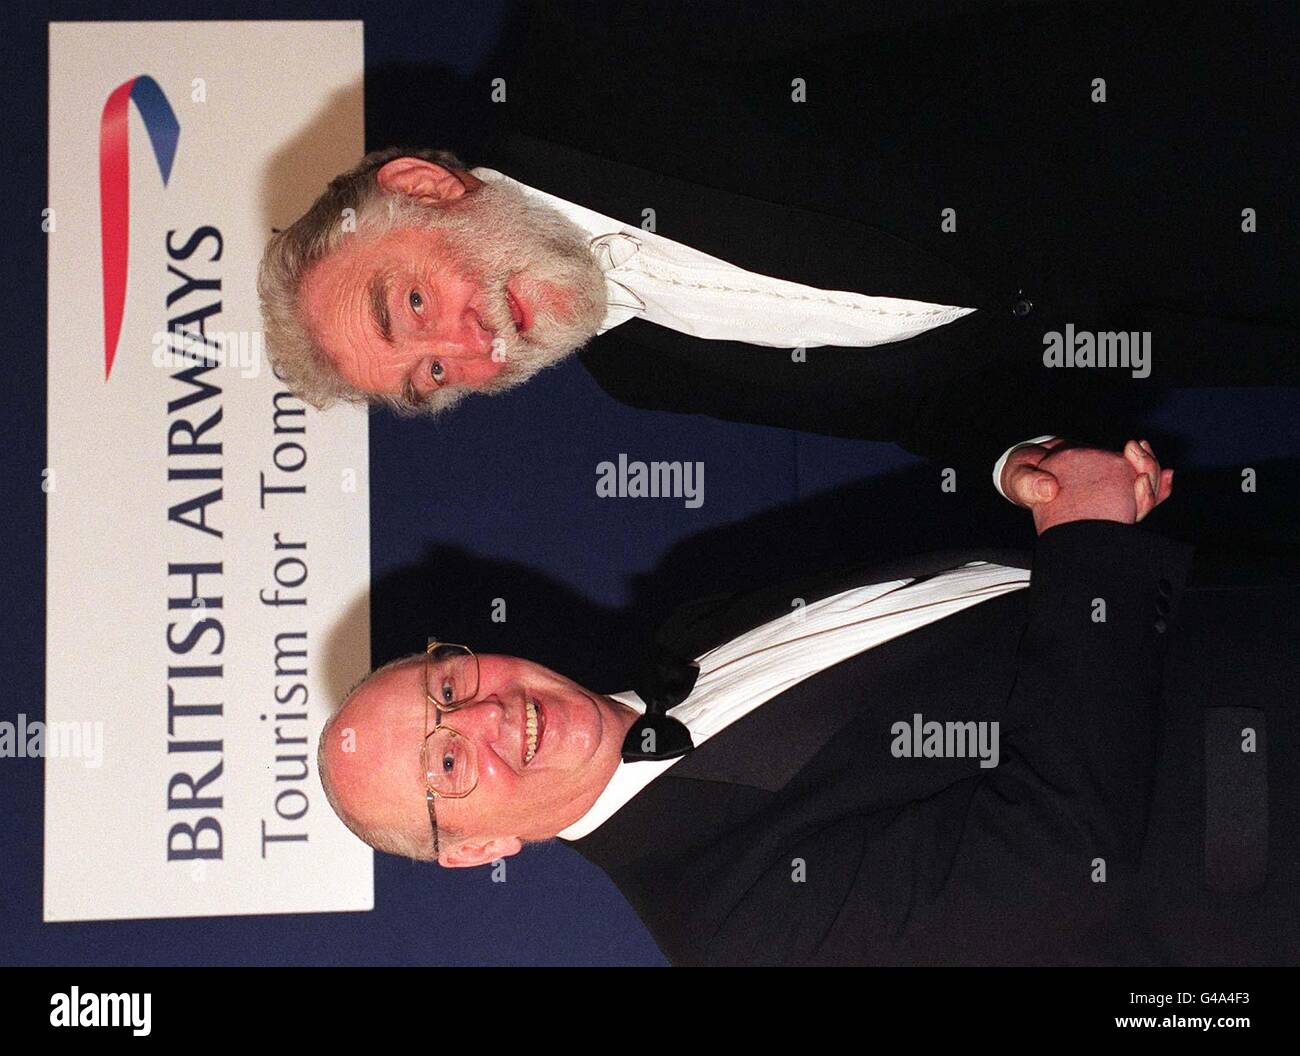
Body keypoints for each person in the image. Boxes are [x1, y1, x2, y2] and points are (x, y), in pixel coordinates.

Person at [258, 2, 1300, 500]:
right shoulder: (638, 377)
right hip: (1225, 324)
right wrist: (1011, 461)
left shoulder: (595, 47)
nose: (469, 346)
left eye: (411, 307)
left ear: (424, 188)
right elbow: (924, 399)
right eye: (430, 374)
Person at [317, 439, 1300, 964]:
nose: (485, 721)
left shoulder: (692, 617)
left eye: (447, 688)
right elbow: (1060, 856)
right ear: (475, 849)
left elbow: (976, 606)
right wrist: (1094, 556)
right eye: (447, 763)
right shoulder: (731, 928)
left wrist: (1036, 480)